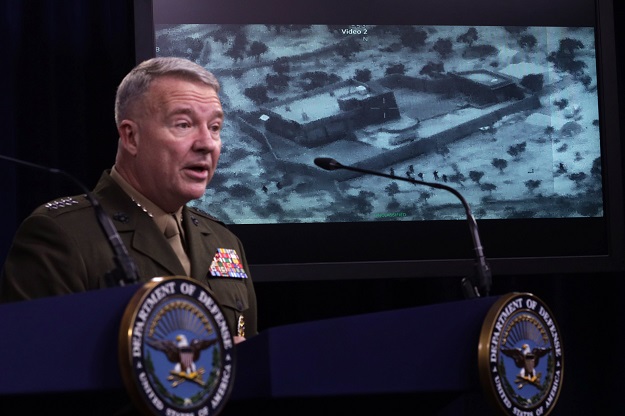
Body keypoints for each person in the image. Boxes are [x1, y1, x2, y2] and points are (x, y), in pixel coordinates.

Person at [0, 57, 257, 341]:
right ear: (131, 136)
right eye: (184, 124)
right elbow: (37, 368)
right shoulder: (62, 235)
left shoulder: (225, 242)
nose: (207, 143)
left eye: (215, 127)